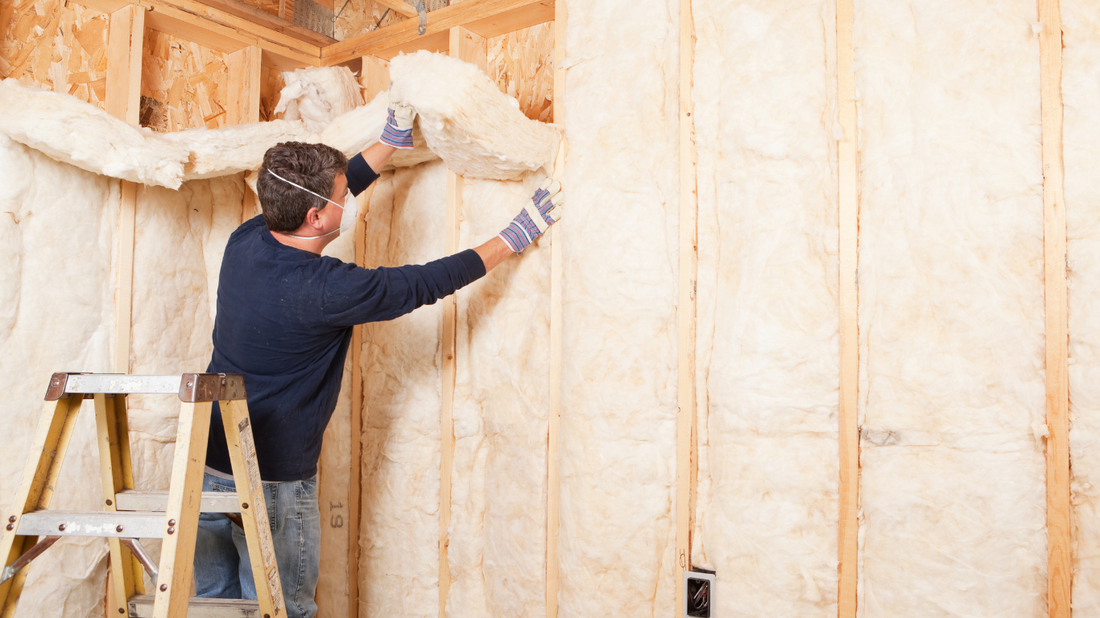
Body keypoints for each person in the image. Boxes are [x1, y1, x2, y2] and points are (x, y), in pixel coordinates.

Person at [192, 100, 562, 618]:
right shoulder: (327, 290)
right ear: (316, 216)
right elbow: (423, 283)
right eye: (343, 197)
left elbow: (316, 199)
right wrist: (512, 237)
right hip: (269, 482)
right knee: (282, 610)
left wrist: (389, 142)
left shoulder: (246, 239)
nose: (349, 202)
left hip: (205, 464)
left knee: (207, 605)